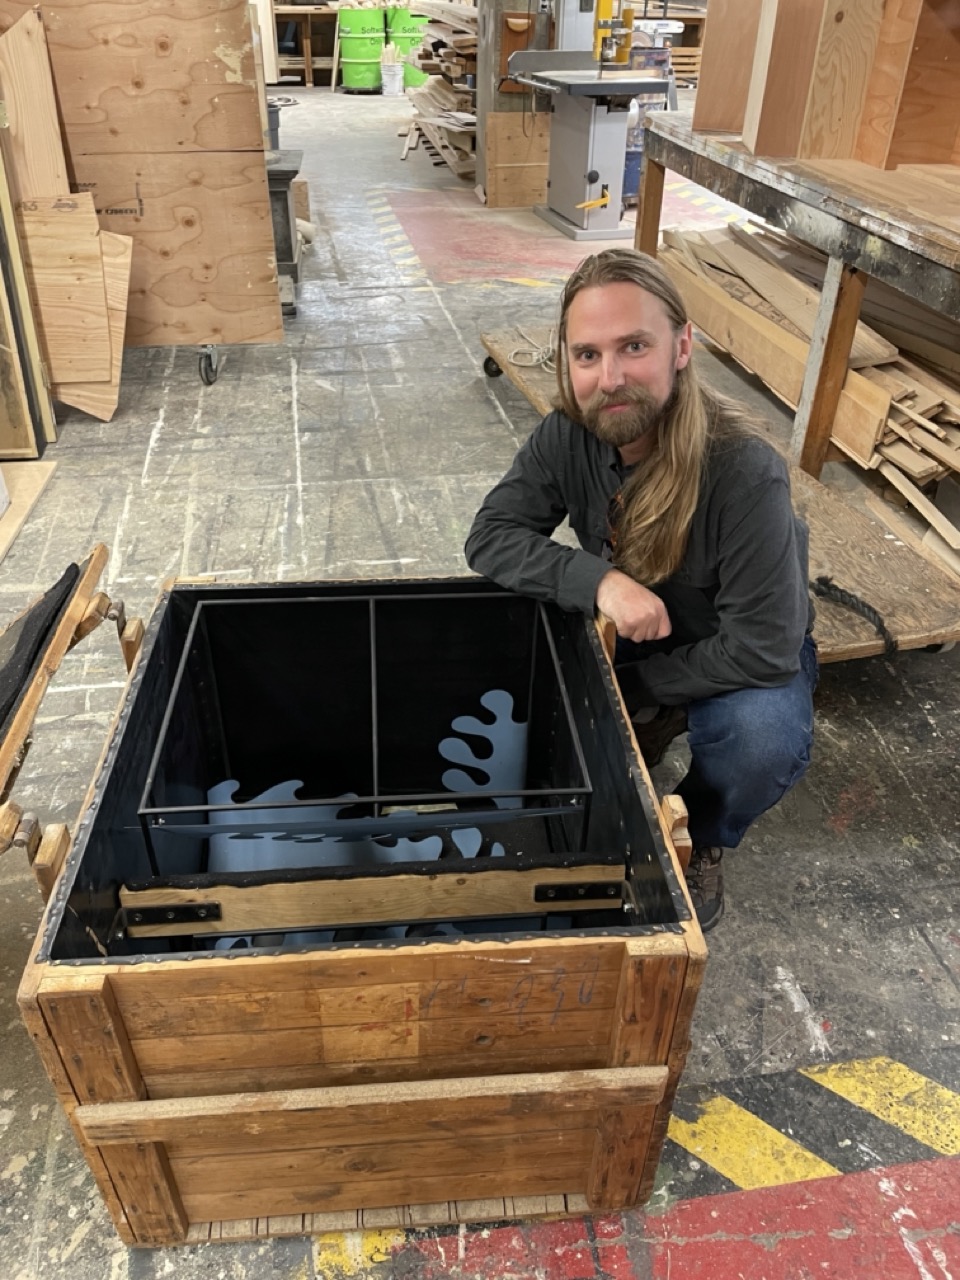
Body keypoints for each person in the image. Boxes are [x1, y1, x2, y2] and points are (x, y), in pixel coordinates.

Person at [465, 248, 817, 931]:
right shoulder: (569, 432)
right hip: (634, 626)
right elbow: (492, 535)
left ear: (683, 346)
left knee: (761, 738)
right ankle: (640, 721)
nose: (611, 377)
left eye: (634, 346)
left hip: (732, 647)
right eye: (587, 355)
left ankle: (705, 832)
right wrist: (601, 579)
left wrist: (639, 685)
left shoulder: (743, 472)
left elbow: (765, 649)